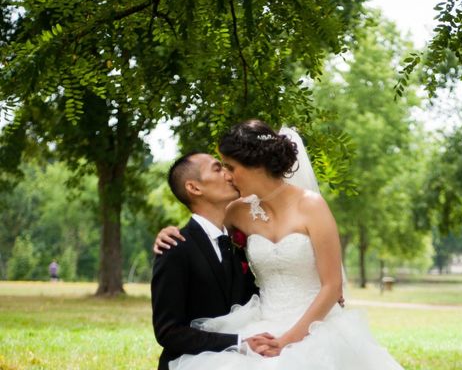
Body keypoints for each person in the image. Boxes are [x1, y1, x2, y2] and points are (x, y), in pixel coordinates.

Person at [155, 120, 403, 370]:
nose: (228, 176)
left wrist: (288, 340)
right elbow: (205, 232)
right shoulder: (237, 211)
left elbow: (332, 285)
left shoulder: (312, 206)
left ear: (254, 165)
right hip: (263, 321)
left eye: (230, 167)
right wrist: (169, 233)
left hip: (316, 326)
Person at [151, 151, 275, 370]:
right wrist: (238, 344)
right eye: (218, 169)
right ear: (194, 188)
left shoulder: (237, 240)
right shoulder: (174, 248)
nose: (228, 175)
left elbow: (254, 297)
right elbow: (168, 332)